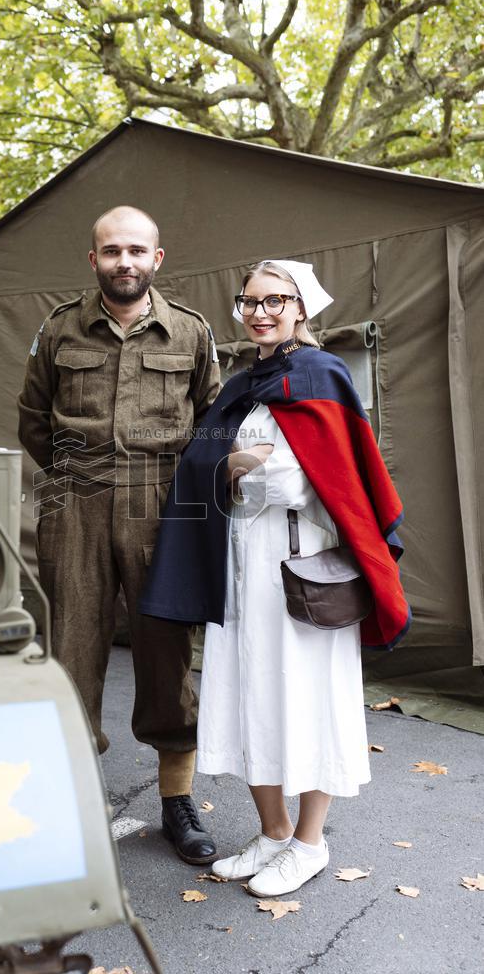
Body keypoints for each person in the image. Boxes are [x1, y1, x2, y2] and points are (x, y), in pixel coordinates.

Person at [139, 259, 411, 894]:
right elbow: (204, 469)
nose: (258, 312)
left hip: (300, 570)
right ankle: (273, 832)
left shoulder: (321, 376)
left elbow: (294, 482)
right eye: (249, 302)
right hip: (240, 566)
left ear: (300, 308)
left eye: (273, 301)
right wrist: (234, 463)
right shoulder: (242, 385)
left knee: (308, 701)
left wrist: (240, 467)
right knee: (250, 697)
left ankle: (310, 844)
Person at [17, 206, 221, 865]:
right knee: (72, 650)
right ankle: (73, 801)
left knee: (167, 654)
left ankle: (176, 803)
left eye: (137, 250)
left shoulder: (190, 332)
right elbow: (32, 422)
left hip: (162, 505)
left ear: (157, 259)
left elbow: (213, 419)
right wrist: (75, 478)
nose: (124, 261)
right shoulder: (58, 329)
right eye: (111, 251)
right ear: (94, 259)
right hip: (75, 499)